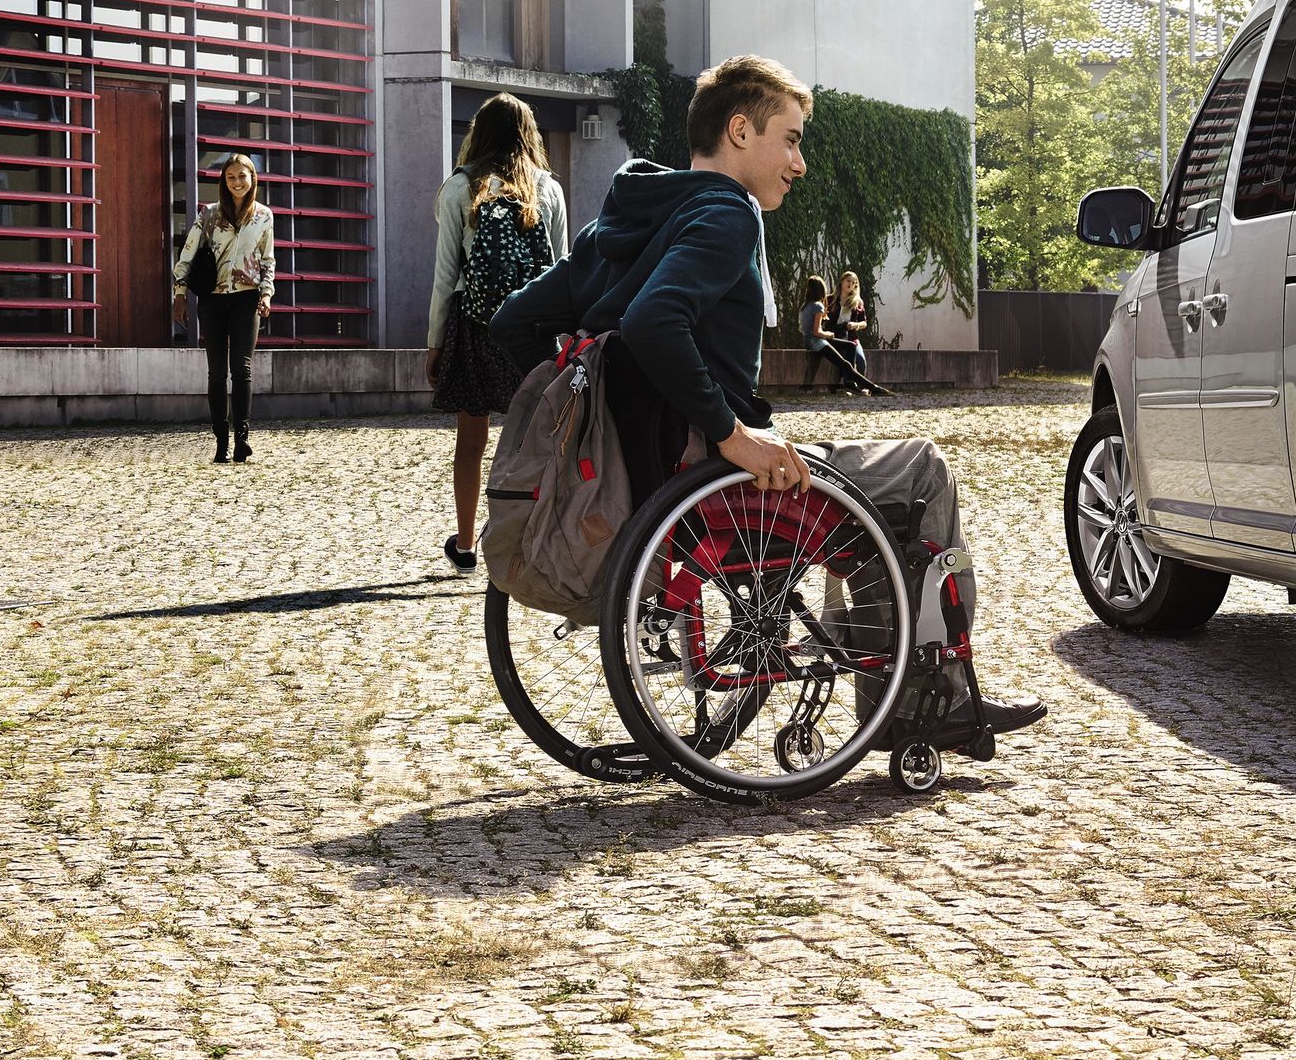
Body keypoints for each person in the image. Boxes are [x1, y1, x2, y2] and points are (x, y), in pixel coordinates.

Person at [491, 56, 1047, 755]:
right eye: (790, 138)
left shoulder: (619, 225)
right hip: (712, 480)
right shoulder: (726, 213)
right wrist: (730, 436)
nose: (801, 161)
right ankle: (925, 701)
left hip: (647, 486)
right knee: (920, 472)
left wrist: (584, 425)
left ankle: (902, 686)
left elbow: (513, 322)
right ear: (739, 131)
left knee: (854, 485)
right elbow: (654, 323)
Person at [428, 93, 570, 567]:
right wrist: (568, 341)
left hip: (474, 327)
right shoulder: (547, 189)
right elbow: (563, 272)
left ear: (479, 133)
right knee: (534, 439)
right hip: (530, 329)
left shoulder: (459, 188)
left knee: (471, 439)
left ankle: (466, 544)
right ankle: (529, 541)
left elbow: (445, 276)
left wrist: (434, 344)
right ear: (530, 134)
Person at [174, 152, 275, 463]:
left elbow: (268, 259)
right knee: (217, 372)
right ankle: (221, 441)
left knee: (242, 369)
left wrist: (267, 293)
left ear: (252, 178)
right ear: (224, 181)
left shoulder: (263, 216)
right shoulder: (209, 215)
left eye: (242, 176)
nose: (237, 182)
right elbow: (187, 254)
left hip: (247, 297)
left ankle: (242, 437)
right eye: (231, 177)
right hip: (213, 300)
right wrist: (179, 294)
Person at [797, 274, 888, 397]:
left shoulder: (805, 306)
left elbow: (864, 322)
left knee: (852, 351)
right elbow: (816, 331)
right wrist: (827, 334)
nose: (851, 284)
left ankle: (855, 385)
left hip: (828, 339)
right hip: (820, 340)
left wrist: (854, 325)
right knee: (844, 363)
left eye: (853, 282)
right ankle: (869, 387)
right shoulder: (824, 303)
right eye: (848, 281)